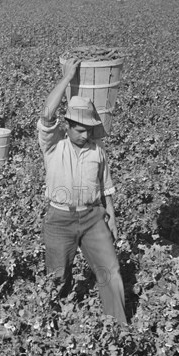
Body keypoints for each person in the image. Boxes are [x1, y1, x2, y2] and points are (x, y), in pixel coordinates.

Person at [38, 58, 127, 323]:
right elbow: (46, 114)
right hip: (59, 219)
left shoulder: (98, 151)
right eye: (78, 129)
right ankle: (52, 324)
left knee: (110, 270)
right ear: (67, 126)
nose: (84, 135)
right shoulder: (53, 145)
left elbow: (105, 186)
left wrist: (111, 215)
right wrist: (67, 77)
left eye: (88, 130)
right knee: (57, 275)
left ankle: (119, 326)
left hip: (92, 218)